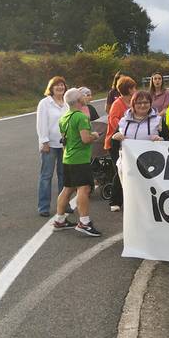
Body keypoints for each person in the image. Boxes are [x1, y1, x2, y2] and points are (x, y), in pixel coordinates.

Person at [53, 88, 102, 236]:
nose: (85, 97)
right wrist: (94, 135)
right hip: (80, 159)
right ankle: (84, 222)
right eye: (82, 96)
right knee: (84, 188)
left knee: (67, 188)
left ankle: (60, 219)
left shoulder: (64, 117)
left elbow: (65, 138)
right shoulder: (81, 117)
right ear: (79, 101)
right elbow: (85, 139)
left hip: (68, 157)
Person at [36, 76, 69, 217]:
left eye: (62, 85)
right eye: (57, 85)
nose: (60, 87)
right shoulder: (45, 103)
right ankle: (43, 207)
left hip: (64, 144)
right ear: (51, 88)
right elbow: (41, 123)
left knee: (64, 176)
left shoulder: (67, 103)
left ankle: (64, 204)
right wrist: (44, 141)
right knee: (46, 176)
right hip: (49, 145)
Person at [105, 76, 137, 212]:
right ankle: (115, 200)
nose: (136, 90)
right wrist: (127, 129)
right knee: (120, 170)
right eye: (134, 88)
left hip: (130, 142)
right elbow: (113, 121)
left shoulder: (133, 102)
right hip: (116, 142)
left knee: (130, 171)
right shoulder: (117, 104)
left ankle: (128, 198)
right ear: (129, 89)